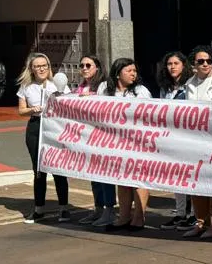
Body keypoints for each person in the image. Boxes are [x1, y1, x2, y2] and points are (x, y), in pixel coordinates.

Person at [15, 51, 69, 224]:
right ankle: (39, 209)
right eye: (37, 66)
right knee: (38, 170)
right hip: (35, 126)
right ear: (31, 69)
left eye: (44, 65)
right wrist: (33, 109)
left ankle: (64, 209)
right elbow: (21, 110)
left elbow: (69, 105)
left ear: (49, 67)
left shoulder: (57, 84)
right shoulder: (26, 86)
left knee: (58, 169)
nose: (41, 69)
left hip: (54, 127)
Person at [183, 46, 212, 237]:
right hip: (197, 141)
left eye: (209, 61)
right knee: (198, 183)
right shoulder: (190, 84)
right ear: (194, 64)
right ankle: (201, 221)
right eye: (201, 61)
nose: (205, 64)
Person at [104, 58, 151, 231]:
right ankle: (124, 217)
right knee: (121, 180)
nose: (133, 74)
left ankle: (139, 218)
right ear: (118, 74)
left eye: (135, 71)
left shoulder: (140, 91)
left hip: (138, 142)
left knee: (139, 180)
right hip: (115, 143)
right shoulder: (106, 90)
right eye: (129, 71)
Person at [73, 54, 116, 227]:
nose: (84, 68)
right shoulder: (80, 87)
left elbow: (106, 106)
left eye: (88, 65)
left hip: (103, 137)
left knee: (105, 175)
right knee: (93, 175)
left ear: (97, 67)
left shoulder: (104, 86)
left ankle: (109, 209)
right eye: (82, 65)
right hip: (87, 137)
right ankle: (98, 208)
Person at [157, 51, 194, 229]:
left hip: (188, 138)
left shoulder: (190, 86)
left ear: (184, 66)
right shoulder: (166, 88)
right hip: (171, 138)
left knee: (191, 176)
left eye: (176, 63)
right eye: (169, 64)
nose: (172, 67)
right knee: (176, 177)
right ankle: (180, 213)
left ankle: (194, 214)